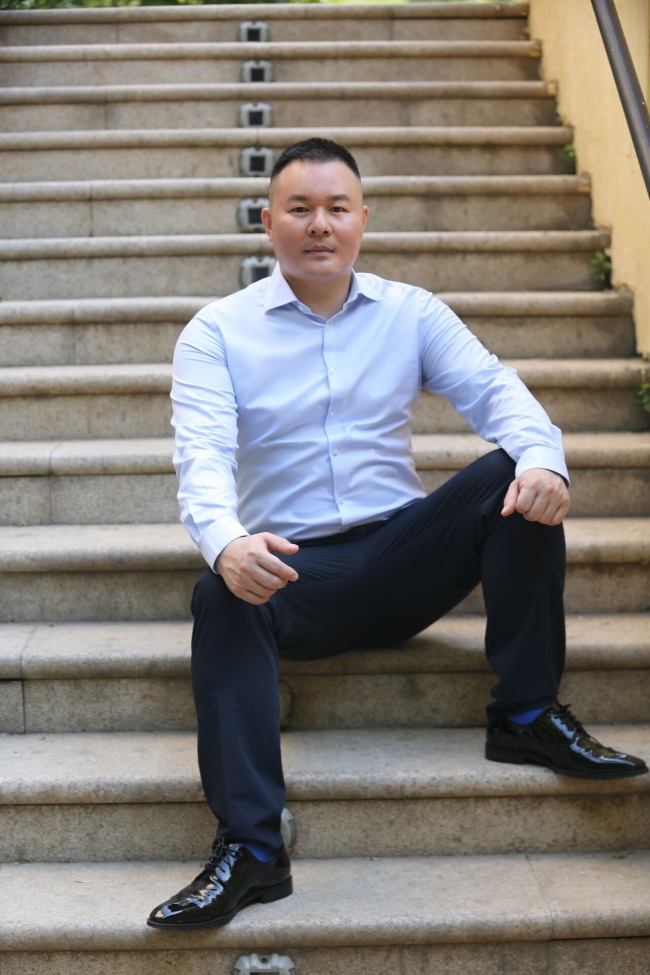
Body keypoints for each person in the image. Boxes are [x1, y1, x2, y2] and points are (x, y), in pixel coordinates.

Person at [147, 138, 647, 931]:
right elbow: (201, 457)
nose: (320, 224)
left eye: (337, 208)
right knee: (220, 591)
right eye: (300, 209)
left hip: (405, 556)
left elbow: (495, 389)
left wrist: (545, 462)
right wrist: (228, 542)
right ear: (269, 222)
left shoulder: (410, 312)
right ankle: (252, 848)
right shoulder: (217, 332)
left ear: (362, 219)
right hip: (297, 574)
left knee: (514, 474)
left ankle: (526, 715)